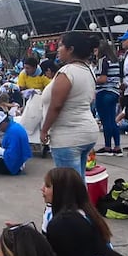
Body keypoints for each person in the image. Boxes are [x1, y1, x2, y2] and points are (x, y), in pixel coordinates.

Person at [39, 32, 100, 174]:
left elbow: (56, 105)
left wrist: (44, 130)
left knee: (68, 185)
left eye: (61, 46)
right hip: (86, 132)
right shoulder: (88, 70)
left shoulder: (67, 72)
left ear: (70, 49)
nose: (57, 50)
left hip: (68, 136)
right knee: (78, 182)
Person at [94, 39, 122, 156]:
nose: (94, 52)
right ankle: (117, 147)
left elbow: (103, 79)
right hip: (114, 92)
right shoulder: (114, 60)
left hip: (104, 92)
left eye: (95, 50)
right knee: (112, 120)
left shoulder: (102, 60)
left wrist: (91, 80)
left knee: (106, 121)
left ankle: (107, 147)